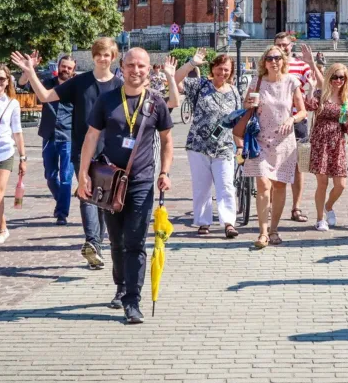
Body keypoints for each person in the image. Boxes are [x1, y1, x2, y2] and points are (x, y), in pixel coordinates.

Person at [77, 48, 173, 324]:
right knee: (116, 241)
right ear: (122, 67)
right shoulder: (107, 101)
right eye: (131, 65)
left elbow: (167, 139)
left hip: (142, 181)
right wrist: (84, 174)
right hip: (110, 182)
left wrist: (165, 171)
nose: (136, 70)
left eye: (141, 66)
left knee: (135, 242)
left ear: (148, 69)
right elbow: (91, 137)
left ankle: (133, 300)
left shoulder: (155, 102)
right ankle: (120, 286)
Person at [12, 38, 122, 270]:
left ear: (114, 58)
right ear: (93, 56)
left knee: (104, 201)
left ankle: (98, 246)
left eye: (107, 55)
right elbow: (45, 96)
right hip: (82, 148)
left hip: (111, 150)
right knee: (87, 193)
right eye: (99, 54)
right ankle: (92, 244)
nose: (103, 58)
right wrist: (31, 72)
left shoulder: (119, 86)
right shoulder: (79, 83)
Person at [243, 46, 306, 248]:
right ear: (264, 62)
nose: (274, 61)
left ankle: (274, 229)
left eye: (278, 58)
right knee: (263, 184)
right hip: (260, 140)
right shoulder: (256, 81)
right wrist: (250, 104)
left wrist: (292, 118)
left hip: (284, 142)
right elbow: (245, 105)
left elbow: (303, 111)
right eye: (270, 58)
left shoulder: (291, 82)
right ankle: (262, 233)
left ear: (283, 61)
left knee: (279, 185)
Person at [173, 50, 241, 238]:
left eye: (226, 70)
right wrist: (191, 64)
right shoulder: (201, 85)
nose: (223, 73)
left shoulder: (234, 91)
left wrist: (240, 145)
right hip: (198, 145)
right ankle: (203, 222)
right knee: (202, 186)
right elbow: (176, 80)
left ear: (231, 72)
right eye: (219, 69)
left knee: (226, 185)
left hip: (225, 146)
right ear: (213, 68)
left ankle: (228, 222)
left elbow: (236, 121)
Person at [18, 55, 76, 225]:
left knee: (66, 176)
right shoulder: (47, 83)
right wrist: (29, 69)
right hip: (49, 135)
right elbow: (22, 83)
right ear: (58, 67)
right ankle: (61, 200)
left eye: (69, 68)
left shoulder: (76, 87)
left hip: (68, 136)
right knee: (50, 176)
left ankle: (61, 213)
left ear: (73, 71)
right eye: (63, 66)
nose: (66, 70)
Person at [273, 33, 323, 223]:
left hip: (297, 119)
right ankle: (270, 205)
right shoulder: (270, 63)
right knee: (273, 163)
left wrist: (311, 63)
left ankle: (296, 207)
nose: (283, 47)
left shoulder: (301, 66)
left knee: (298, 165)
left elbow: (317, 86)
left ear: (290, 46)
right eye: (279, 45)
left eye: (285, 45)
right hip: (275, 120)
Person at [306, 64, 348, 230]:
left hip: (337, 144)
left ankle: (328, 206)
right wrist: (311, 88)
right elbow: (309, 106)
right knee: (322, 183)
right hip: (320, 142)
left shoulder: (346, 101)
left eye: (342, 77)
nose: (338, 81)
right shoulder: (322, 95)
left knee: (341, 185)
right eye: (335, 77)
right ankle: (320, 219)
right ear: (329, 78)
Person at [0, 65, 27, 252]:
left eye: (2, 79)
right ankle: (3, 228)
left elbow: (17, 132)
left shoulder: (12, 104)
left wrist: (23, 156)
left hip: (4, 152)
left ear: (8, 81)